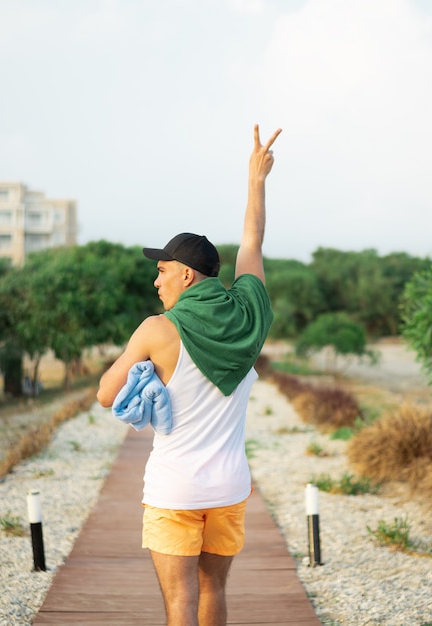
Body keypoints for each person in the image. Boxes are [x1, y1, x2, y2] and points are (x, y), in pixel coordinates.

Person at [96, 124, 281, 626]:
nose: (156, 279)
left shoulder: (158, 330)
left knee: (180, 602)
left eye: (162, 269)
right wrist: (256, 180)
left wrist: (142, 370)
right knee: (213, 590)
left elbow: (105, 395)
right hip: (228, 488)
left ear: (186, 275)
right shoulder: (250, 316)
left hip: (174, 490)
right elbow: (252, 242)